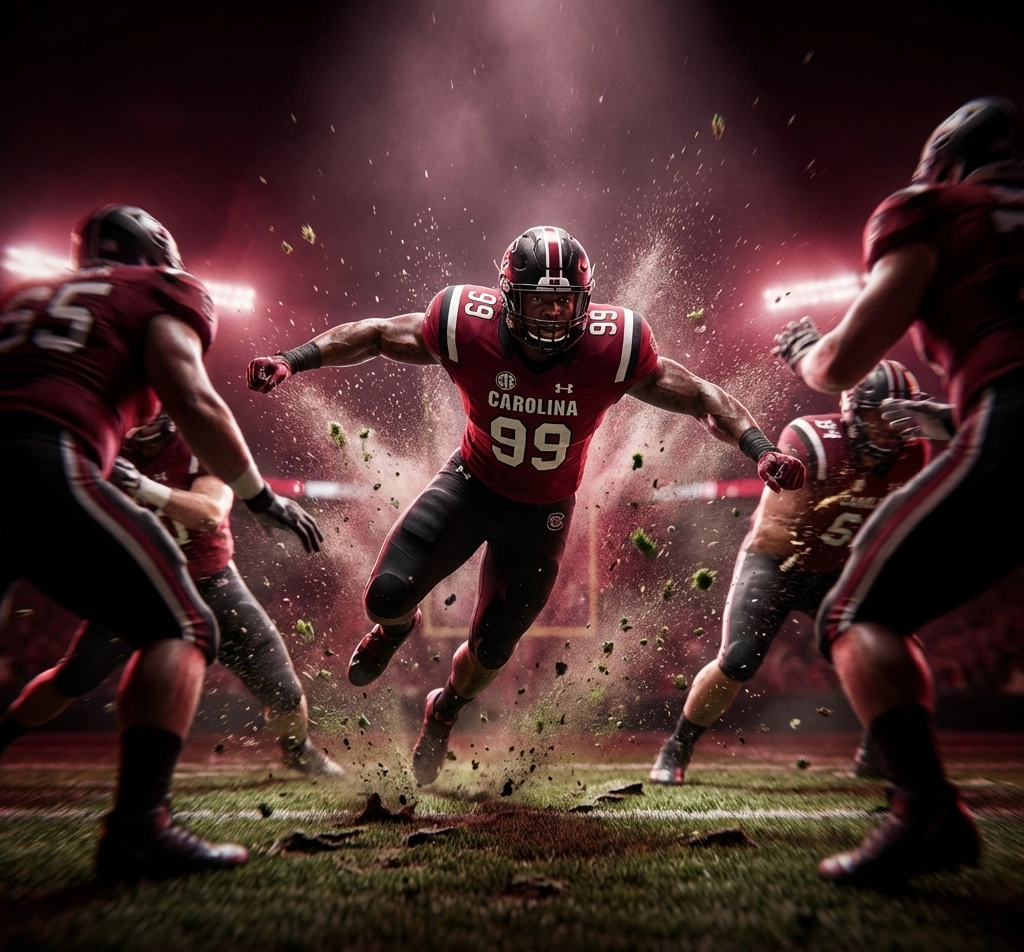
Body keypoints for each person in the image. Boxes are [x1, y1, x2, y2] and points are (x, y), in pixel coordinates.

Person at [248, 225, 806, 786]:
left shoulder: (615, 346)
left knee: (490, 652)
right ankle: (395, 631)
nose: (552, 317)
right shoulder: (464, 322)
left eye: (564, 302)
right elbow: (375, 334)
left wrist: (758, 448)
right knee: (385, 597)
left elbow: (700, 395)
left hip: (542, 515)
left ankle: (442, 711)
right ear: (508, 299)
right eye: (540, 302)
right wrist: (294, 360)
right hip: (470, 484)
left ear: (585, 302)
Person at [0, 205, 322, 881]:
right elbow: (192, 395)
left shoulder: (28, 298)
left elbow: (205, 510)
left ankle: (300, 752)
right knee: (171, 630)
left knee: (272, 674)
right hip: (47, 462)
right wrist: (265, 500)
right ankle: (140, 829)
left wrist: (134, 485)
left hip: (202, 564)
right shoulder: (155, 302)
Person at [773, 96, 1024, 885]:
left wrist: (810, 353)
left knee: (857, 612)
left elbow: (845, 363)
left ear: (947, 162)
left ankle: (925, 812)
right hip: (996, 412)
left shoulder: (938, 208)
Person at [0, 413, 341, 778]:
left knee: (283, 691)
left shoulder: (201, 438)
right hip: (134, 583)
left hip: (210, 582)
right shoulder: (97, 443)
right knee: (72, 678)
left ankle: (297, 750)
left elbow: (210, 514)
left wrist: (142, 487)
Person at [649, 361, 929, 786]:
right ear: (854, 411)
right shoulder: (813, 439)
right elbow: (782, 530)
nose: (893, 428)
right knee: (738, 660)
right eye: (881, 415)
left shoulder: (914, 454)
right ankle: (678, 745)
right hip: (777, 562)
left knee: (897, 650)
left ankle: (880, 745)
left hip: (839, 567)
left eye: (900, 416)